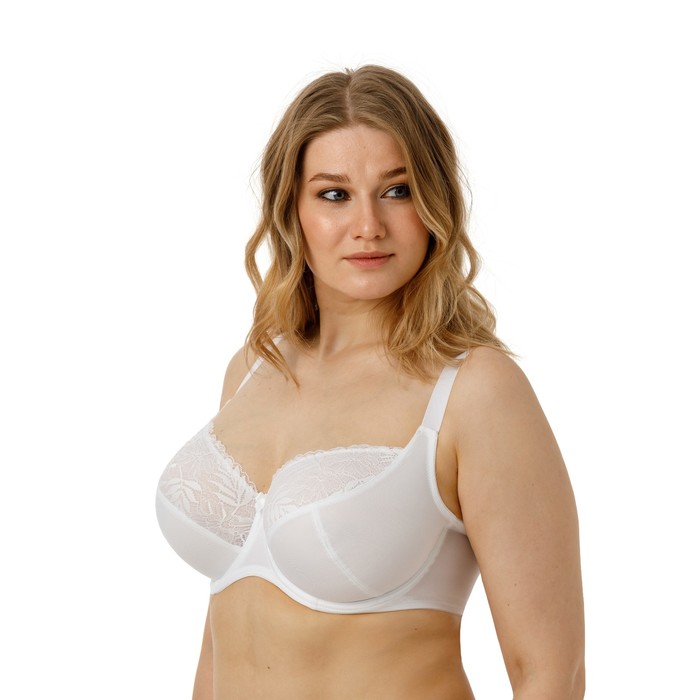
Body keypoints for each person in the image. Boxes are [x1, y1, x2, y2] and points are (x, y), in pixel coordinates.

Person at [156, 65, 585, 700]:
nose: (368, 226)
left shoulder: (474, 390)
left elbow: (550, 674)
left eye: (397, 190)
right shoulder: (253, 369)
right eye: (334, 194)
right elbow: (220, 639)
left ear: (435, 203)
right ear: (292, 208)